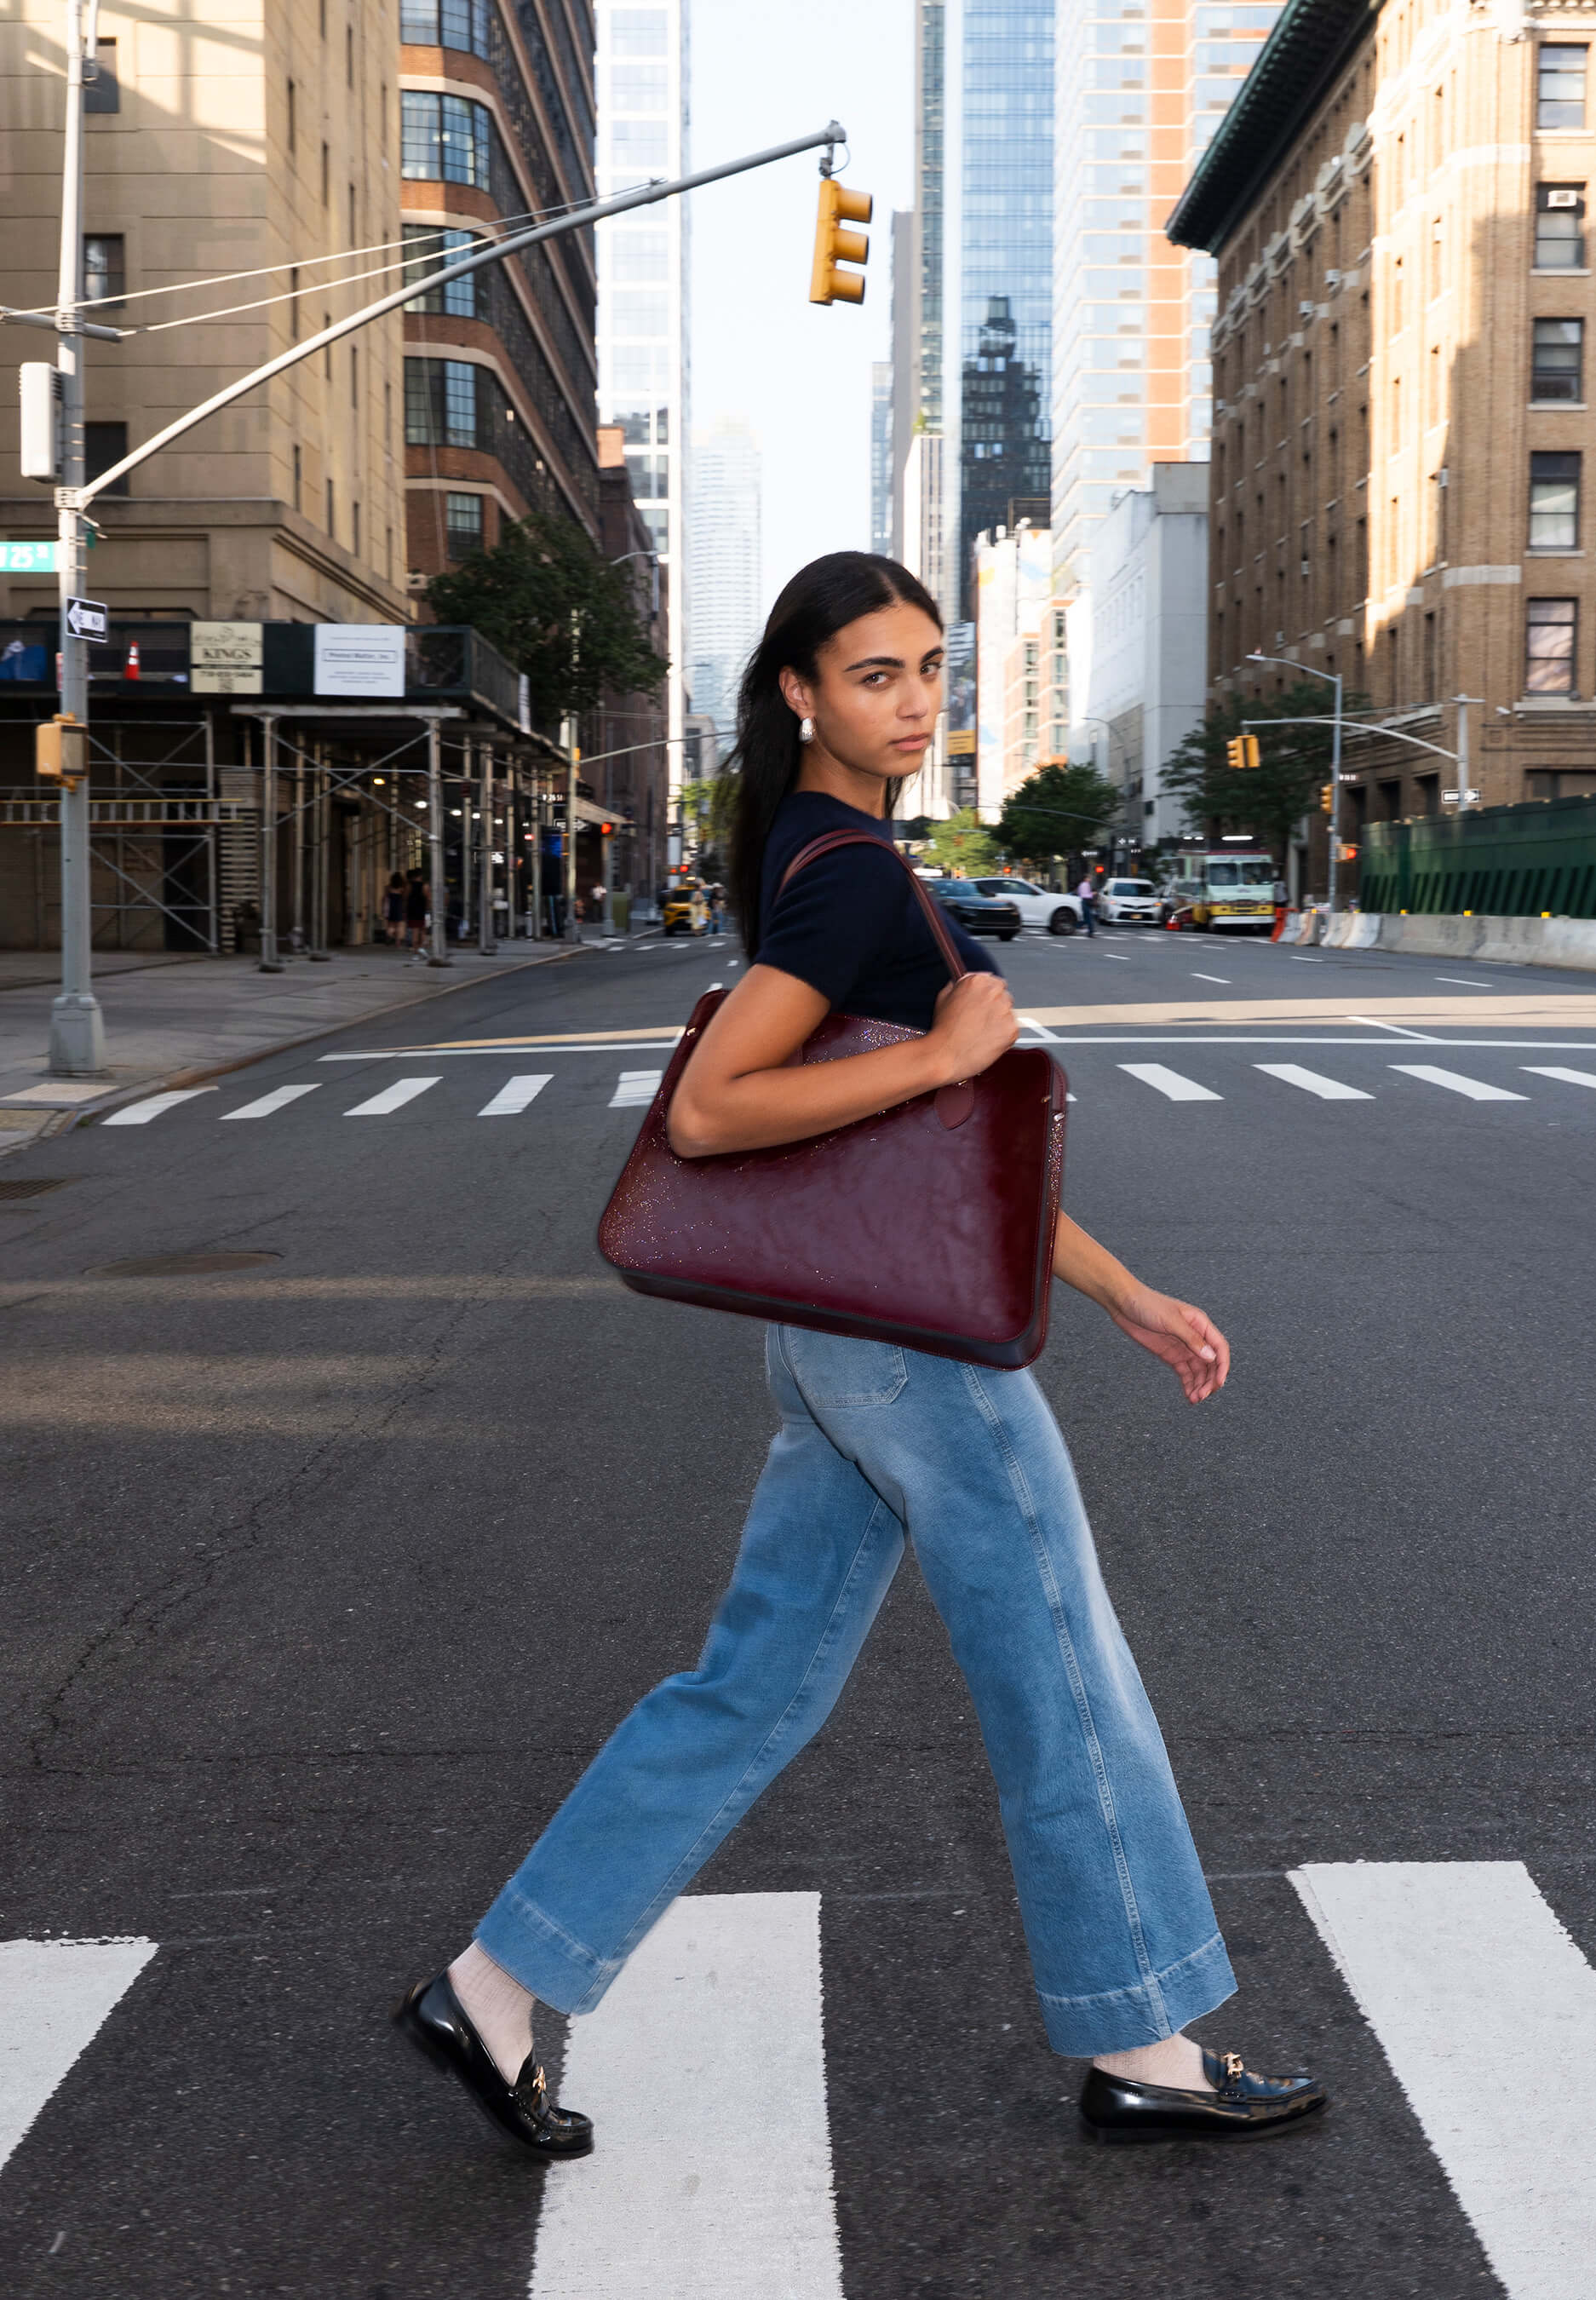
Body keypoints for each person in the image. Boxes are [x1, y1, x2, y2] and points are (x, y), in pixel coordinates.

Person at [394, 552, 1325, 2160]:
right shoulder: (838, 871)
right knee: (1065, 1677)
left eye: (929, 670)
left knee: (751, 1684)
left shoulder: (830, 851)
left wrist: (1120, 1291)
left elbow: (937, 1184)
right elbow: (714, 1108)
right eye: (875, 674)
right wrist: (952, 1053)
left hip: (847, 1338)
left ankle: (497, 1983)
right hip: (911, 1362)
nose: (912, 703)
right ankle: (1144, 2037)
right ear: (800, 694)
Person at [405, 867, 430, 958]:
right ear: (420, 876)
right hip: (422, 910)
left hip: (412, 910)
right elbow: (428, 898)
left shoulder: (409, 885)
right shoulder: (425, 886)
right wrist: (428, 909)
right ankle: (422, 948)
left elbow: (406, 897)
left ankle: (415, 953)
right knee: (423, 931)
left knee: (415, 932)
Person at [383, 871, 406, 946]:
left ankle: (389, 936)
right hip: (398, 907)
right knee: (398, 925)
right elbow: (404, 898)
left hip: (391, 907)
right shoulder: (401, 889)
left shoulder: (388, 887)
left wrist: (383, 907)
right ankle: (397, 942)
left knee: (390, 925)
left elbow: (385, 898)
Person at [1081, 864, 1102, 938]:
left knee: (1087, 918)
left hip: (1085, 902)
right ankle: (1090, 932)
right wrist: (1092, 893)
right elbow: (1085, 895)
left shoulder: (1084, 884)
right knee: (1089, 918)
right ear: (1086, 878)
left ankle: (1089, 931)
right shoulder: (1085, 885)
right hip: (1086, 901)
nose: (1090, 879)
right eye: (1089, 878)